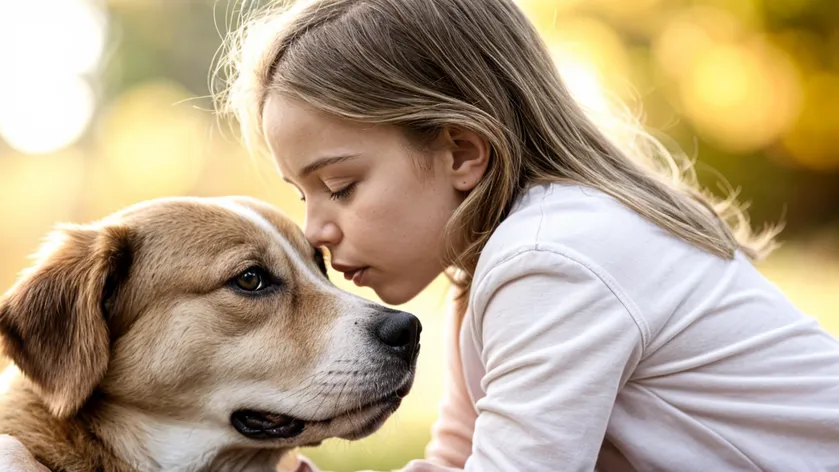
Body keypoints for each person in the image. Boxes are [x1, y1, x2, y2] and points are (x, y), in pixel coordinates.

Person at [5, 0, 839, 470]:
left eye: (341, 185)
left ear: (462, 154)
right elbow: (454, 464)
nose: (318, 226)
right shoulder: (501, 267)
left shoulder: (553, 258)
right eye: (303, 193)